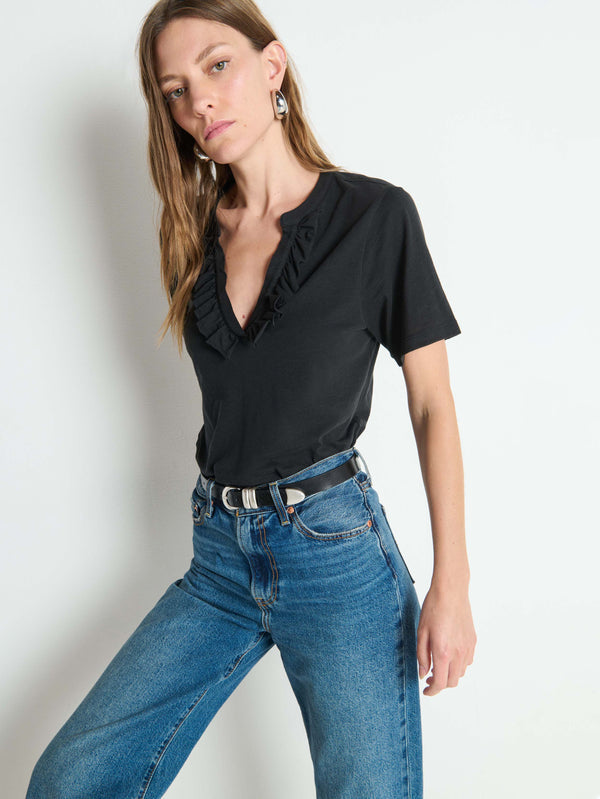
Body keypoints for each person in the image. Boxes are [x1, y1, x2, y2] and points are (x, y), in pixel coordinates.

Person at [26, 1, 476, 797]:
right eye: (174, 88)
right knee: (71, 778)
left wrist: (453, 583)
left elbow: (433, 404)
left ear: (273, 69)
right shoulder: (193, 238)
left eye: (217, 65)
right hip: (219, 558)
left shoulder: (374, 218)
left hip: (338, 558)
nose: (198, 99)